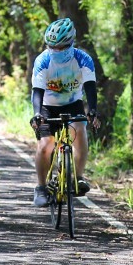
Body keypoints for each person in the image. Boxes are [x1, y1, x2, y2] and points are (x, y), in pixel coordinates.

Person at [29, 17, 100, 206]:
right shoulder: (43, 60)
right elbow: (37, 91)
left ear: (71, 43)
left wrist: (92, 110)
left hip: (72, 103)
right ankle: (41, 187)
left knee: (80, 136)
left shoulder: (83, 59)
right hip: (46, 104)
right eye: (52, 47)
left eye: (61, 47)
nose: (56, 51)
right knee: (46, 145)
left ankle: (76, 177)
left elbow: (91, 87)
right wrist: (37, 113)